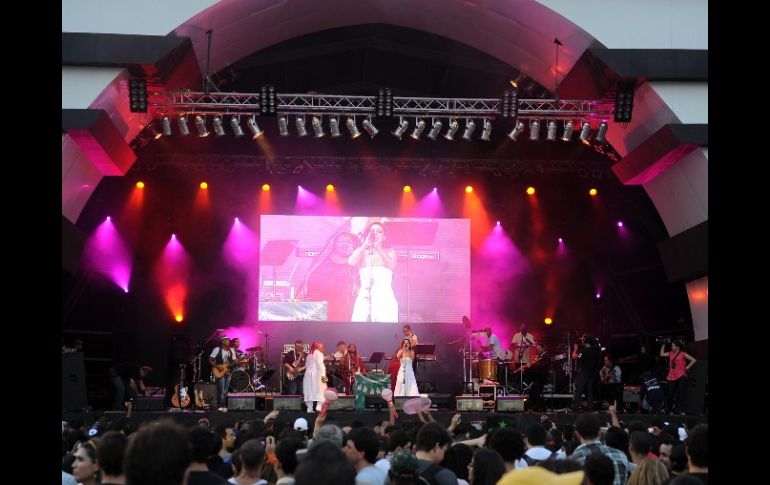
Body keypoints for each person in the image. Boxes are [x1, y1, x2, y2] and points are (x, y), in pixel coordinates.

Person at [348, 222, 399, 322]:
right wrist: (365, 245)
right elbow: (351, 261)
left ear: (384, 237)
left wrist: (378, 248)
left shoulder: (390, 252)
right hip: (364, 297)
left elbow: (391, 266)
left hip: (385, 297)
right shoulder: (362, 252)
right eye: (372, 231)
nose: (375, 234)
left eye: (379, 232)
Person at [304, 232, 358, 322]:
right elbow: (310, 279)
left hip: (345, 308)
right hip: (321, 306)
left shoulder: (356, 262)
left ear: (355, 245)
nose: (344, 244)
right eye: (341, 241)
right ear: (334, 244)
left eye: (349, 241)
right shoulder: (322, 259)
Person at [661, 339, 696, 415]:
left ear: (678, 347)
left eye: (673, 346)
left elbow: (693, 360)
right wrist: (663, 345)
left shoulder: (683, 353)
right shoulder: (670, 353)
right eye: (671, 345)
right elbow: (661, 354)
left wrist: (688, 367)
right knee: (670, 394)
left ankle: (682, 410)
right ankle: (670, 410)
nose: (671, 347)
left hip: (681, 375)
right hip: (672, 376)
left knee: (681, 393)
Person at [571, 335, 600, 412]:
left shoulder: (584, 351)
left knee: (579, 390)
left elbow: (574, 357)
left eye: (583, 340)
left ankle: (575, 407)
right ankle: (590, 408)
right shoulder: (595, 351)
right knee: (589, 391)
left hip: (584, 373)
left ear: (586, 341)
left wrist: (575, 349)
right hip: (592, 374)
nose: (582, 341)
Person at [210, 337, 235, 411]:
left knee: (225, 391)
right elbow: (210, 360)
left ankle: (223, 405)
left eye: (228, 340)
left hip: (228, 372)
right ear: (222, 341)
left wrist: (238, 361)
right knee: (221, 390)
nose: (228, 341)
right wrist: (217, 366)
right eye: (226, 340)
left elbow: (234, 361)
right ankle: (219, 406)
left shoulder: (231, 351)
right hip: (219, 371)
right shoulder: (217, 349)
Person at [303, 341, 328, 412]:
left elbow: (307, 366)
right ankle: (319, 406)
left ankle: (309, 408)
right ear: (318, 348)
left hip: (308, 375)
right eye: (322, 347)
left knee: (309, 391)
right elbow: (321, 366)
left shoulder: (309, 355)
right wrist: (324, 378)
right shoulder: (319, 353)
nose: (323, 349)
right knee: (322, 389)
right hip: (317, 375)